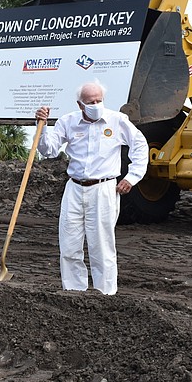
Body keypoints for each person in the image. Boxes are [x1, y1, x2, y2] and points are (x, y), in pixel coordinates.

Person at [34, 82, 148, 294]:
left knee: (101, 245)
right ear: (80, 105)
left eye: (99, 101)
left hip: (104, 188)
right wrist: (42, 126)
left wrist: (132, 177)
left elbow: (140, 145)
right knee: (69, 243)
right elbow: (48, 150)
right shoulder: (67, 122)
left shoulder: (117, 120)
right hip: (74, 188)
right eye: (90, 102)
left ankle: (105, 294)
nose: (96, 105)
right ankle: (74, 291)